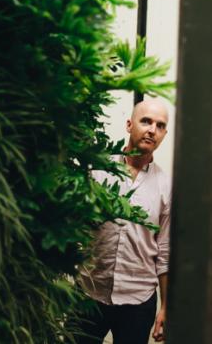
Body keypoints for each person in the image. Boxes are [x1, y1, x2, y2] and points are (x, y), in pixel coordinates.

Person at [76, 99, 171, 344]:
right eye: (146, 121)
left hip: (138, 302)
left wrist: (165, 307)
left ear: (164, 134)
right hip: (89, 293)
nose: (152, 129)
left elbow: (165, 252)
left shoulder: (167, 187)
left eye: (160, 126)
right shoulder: (97, 168)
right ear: (129, 125)